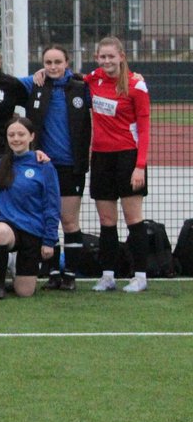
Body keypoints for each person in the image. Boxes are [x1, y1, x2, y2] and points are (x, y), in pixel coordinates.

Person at [86, 36, 152, 293]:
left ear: (122, 56)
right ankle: (108, 276)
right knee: (106, 220)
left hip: (128, 157)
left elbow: (145, 130)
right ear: (97, 58)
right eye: (102, 57)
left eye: (111, 56)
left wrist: (140, 166)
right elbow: (72, 77)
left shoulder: (136, 85)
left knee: (133, 218)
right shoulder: (93, 79)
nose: (107, 61)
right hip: (100, 157)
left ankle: (140, 276)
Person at [24, 45, 91, 289]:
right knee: (46, 218)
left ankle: (70, 275)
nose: (53, 67)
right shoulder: (36, 85)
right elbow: (4, 81)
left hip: (71, 166)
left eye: (57, 62)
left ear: (67, 62)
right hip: (43, 166)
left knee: (69, 221)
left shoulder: (82, 88)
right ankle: (53, 274)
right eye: (48, 62)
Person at [0, 118, 61, 299]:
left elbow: (52, 205)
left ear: (31, 137)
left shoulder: (44, 165)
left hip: (33, 231)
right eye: (11, 135)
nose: (16, 139)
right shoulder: (1, 165)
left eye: (21, 134)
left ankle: (17, 275)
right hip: (9, 228)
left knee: (24, 292)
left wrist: (49, 240)